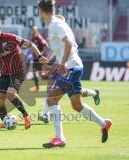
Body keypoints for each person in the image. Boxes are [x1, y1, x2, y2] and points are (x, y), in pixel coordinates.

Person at [38, 0, 112, 148]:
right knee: (77, 106)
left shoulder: (55, 24)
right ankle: (104, 123)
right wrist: (52, 66)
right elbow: (61, 45)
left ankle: (60, 139)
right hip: (74, 66)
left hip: (71, 67)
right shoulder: (57, 22)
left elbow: (69, 43)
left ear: (41, 11)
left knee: (51, 100)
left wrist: (64, 63)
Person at [30, 26, 49, 92]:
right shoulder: (32, 39)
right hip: (35, 58)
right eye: (32, 30)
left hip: (40, 59)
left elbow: (45, 45)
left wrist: (41, 54)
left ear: (36, 30)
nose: (33, 31)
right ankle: (37, 88)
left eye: (34, 30)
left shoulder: (39, 37)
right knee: (34, 72)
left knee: (43, 74)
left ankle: (51, 86)